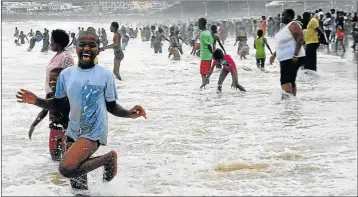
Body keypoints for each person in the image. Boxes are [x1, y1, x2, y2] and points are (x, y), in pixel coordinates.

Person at [16, 31, 147, 190]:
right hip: (73, 131)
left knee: (67, 168)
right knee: (78, 187)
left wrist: (129, 113)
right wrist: (36, 101)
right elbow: (59, 104)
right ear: (76, 48)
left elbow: (111, 106)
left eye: (92, 45)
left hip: (94, 131)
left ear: (98, 49)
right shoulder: (66, 74)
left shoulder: (105, 75)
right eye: (82, 44)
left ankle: (108, 158)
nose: (87, 48)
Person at [28, 67, 68, 161]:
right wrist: (33, 125)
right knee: (54, 159)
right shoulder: (49, 95)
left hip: (67, 131)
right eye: (50, 79)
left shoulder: (68, 95)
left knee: (66, 159)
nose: (52, 82)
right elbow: (44, 111)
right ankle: (56, 176)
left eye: (55, 79)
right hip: (53, 131)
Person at [270, 9, 305, 97]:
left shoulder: (293, 24)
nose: (281, 17)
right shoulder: (285, 26)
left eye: (283, 15)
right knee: (291, 81)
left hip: (290, 58)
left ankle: (287, 103)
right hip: (286, 58)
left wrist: (295, 54)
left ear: (289, 17)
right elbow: (283, 45)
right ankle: (292, 103)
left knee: (285, 81)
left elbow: (300, 39)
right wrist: (274, 54)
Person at [198, 18, 214, 87]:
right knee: (206, 73)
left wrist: (213, 53)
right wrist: (212, 54)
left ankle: (203, 87)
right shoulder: (208, 33)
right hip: (209, 56)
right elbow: (212, 43)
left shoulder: (203, 34)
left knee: (203, 74)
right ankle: (206, 87)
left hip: (205, 56)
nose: (198, 25)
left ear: (201, 24)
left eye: (198, 24)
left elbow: (208, 45)